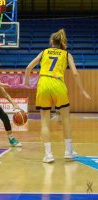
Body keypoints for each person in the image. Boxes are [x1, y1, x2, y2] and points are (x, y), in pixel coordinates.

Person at [23, 29, 91, 163]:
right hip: (58, 83)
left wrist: (26, 82)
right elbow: (76, 74)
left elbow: (28, 67)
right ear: (62, 42)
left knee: (45, 122)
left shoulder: (44, 52)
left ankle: (48, 155)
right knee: (65, 119)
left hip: (43, 83)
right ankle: (68, 151)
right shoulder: (66, 54)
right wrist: (82, 90)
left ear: (52, 42)